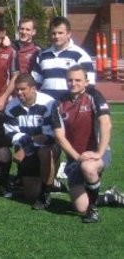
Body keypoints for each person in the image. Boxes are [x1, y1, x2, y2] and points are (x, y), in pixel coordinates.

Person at [52, 65, 112, 223]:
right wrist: (78, 157)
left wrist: (99, 153)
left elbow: (106, 124)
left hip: (98, 152)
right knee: (80, 207)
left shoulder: (94, 96)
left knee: (89, 167)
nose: (73, 83)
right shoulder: (58, 103)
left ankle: (93, 211)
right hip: (75, 157)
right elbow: (60, 137)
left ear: (86, 82)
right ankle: (107, 197)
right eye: (70, 80)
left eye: (78, 80)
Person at [4, 73, 57, 209]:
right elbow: (11, 134)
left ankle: (45, 192)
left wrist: (26, 148)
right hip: (25, 148)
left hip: (47, 147)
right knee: (30, 195)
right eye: (17, 90)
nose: (19, 93)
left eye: (23, 89)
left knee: (45, 153)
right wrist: (29, 144)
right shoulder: (11, 107)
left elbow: (49, 136)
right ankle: (52, 183)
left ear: (33, 88)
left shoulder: (48, 103)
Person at [32, 16, 95, 100]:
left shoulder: (81, 55)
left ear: (69, 34)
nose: (56, 36)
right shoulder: (42, 56)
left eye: (60, 33)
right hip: (47, 107)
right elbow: (34, 83)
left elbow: (90, 84)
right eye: (53, 33)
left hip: (69, 107)